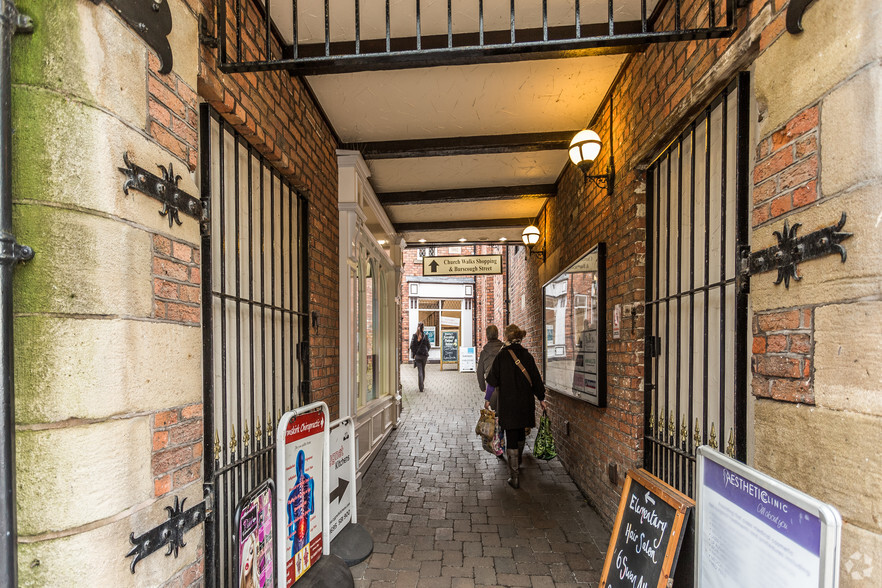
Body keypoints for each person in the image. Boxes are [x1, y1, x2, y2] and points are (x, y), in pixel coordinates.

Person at [486, 324, 547, 489]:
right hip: (525, 404)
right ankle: (518, 461)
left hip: (508, 404)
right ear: (519, 338)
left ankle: (514, 476)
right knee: (520, 433)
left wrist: (487, 399)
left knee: (511, 435)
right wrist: (541, 398)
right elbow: (535, 378)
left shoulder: (501, 357)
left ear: (507, 337)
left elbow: (492, 380)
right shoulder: (527, 356)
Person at [287, 449, 314, 556]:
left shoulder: (293, 494)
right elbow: (312, 509)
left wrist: (291, 532)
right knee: (302, 547)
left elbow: (290, 514)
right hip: (304, 523)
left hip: (300, 526)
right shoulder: (309, 481)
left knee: (300, 548)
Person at [476, 324, 504, 406]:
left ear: (487, 336)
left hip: (491, 389)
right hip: (505, 387)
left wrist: (483, 388)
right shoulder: (504, 350)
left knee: (494, 413)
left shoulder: (484, 352)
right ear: (497, 334)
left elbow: (479, 372)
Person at [409, 322, 431, 392]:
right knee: (423, 370)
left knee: (419, 371)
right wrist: (426, 351)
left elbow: (411, 346)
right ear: (423, 328)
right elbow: (429, 346)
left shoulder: (414, 336)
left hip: (417, 356)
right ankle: (422, 385)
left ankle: (420, 387)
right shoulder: (425, 336)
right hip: (424, 356)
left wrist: (414, 354)